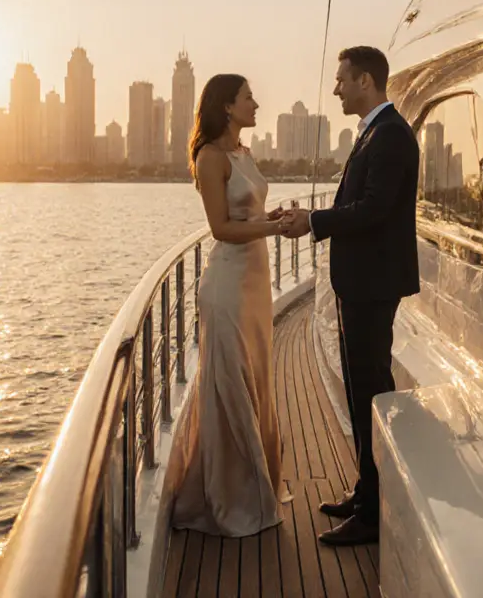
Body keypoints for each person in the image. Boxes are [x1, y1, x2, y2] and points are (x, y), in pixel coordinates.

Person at [280, 46, 420, 546]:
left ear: (365, 81)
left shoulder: (390, 136)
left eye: (341, 80)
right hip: (359, 283)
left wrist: (313, 222)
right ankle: (366, 492)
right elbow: (360, 205)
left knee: (371, 394)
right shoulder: (374, 134)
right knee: (361, 392)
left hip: (372, 284)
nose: (335, 88)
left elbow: (374, 209)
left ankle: (374, 513)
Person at [167, 74, 293, 537]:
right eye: (247, 98)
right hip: (228, 285)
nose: (256, 103)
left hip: (256, 284)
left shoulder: (245, 153)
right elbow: (220, 228)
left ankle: (255, 485)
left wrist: (271, 218)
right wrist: (276, 229)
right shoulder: (210, 158)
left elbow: (249, 217)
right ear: (226, 107)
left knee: (256, 378)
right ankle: (233, 498)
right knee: (232, 382)